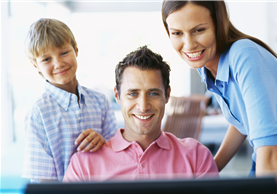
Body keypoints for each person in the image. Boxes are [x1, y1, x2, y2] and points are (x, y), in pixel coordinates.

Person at [161, 1, 277, 194]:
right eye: (177, 33)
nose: (189, 44)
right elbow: (241, 121)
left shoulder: (244, 55)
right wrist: (209, 172)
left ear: (219, 24)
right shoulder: (206, 65)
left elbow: (270, 150)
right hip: (265, 165)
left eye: (199, 30)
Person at [63, 45, 219, 182]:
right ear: (117, 95)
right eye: (133, 94)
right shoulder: (84, 164)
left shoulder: (196, 157)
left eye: (153, 94)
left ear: (167, 95)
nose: (143, 107)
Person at [22, 18, 117, 183]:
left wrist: (104, 143)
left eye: (64, 53)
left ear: (76, 50)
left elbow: (118, 154)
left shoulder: (100, 101)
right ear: (35, 65)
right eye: (46, 59)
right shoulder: (38, 114)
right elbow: (43, 180)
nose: (58, 63)